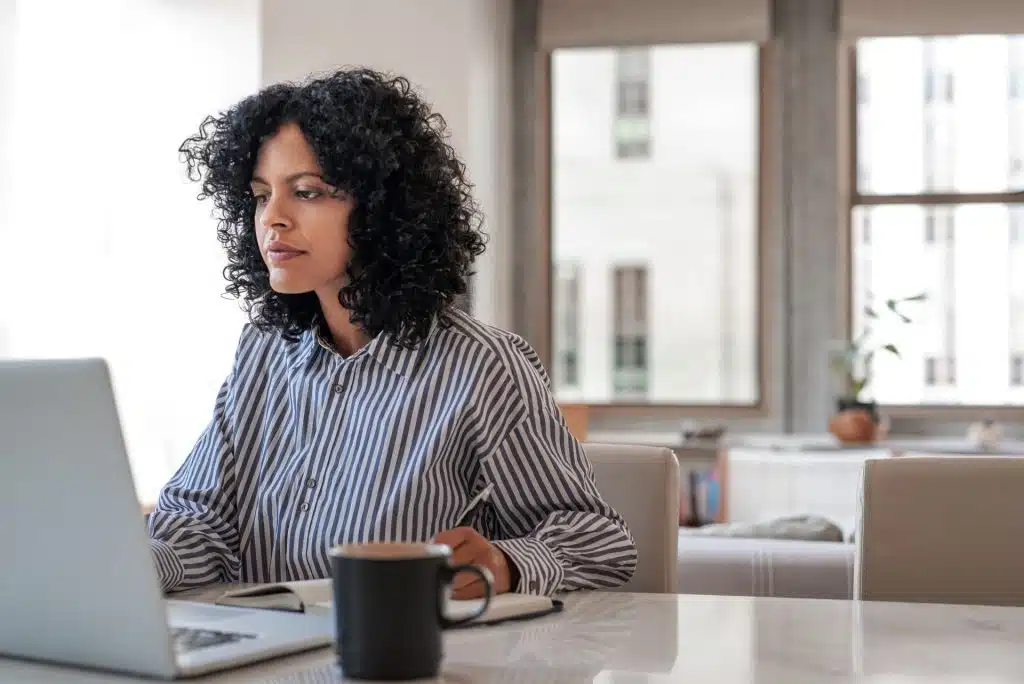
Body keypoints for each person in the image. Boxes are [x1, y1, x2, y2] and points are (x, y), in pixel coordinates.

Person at [148, 67, 636, 599]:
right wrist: (128, 563)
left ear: (384, 209)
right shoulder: (264, 350)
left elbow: (601, 545)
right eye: (261, 196)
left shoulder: (483, 366)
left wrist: (505, 563)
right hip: (263, 658)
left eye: (308, 193)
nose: (274, 219)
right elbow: (200, 522)